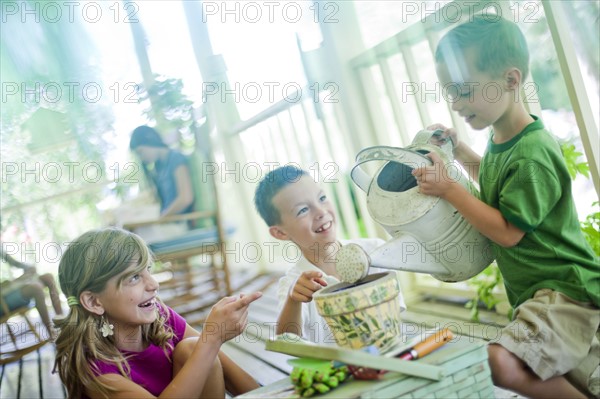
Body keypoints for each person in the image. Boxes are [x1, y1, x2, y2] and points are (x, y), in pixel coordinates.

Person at [412, 15, 599, 398]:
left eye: (464, 90)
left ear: (511, 81)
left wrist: (450, 189)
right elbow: (499, 189)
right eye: (450, 92)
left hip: (563, 290)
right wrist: (461, 152)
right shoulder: (504, 137)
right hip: (542, 294)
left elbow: (507, 231)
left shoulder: (532, 153)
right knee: (568, 374)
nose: (456, 103)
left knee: (502, 361)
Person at [53, 227, 262, 398]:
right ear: (93, 301)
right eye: (134, 277)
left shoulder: (160, 316)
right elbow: (208, 346)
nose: (153, 284)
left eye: (149, 270)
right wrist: (212, 339)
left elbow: (233, 376)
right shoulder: (97, 372)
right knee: (201, 347)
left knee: (192, 348)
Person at [254, 165, 406, 345]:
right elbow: (286, 341)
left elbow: (395, 315)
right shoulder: (294, 286)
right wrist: (293, 301)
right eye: (303, 210)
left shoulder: (375, 251)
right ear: (280, 233)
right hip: (339, 371)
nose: (320, 212)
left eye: (322, 198)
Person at [129, 125, 194, 217]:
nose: (141, 158)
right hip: (169, 221)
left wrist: (163, 217)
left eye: (140, 152)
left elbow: (186, 198)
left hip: (180, 221)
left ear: (150, 142)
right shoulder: (159, 167)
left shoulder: (176, 158)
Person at [0, 246, 63, 340]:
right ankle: (51, 333)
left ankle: (62, 322)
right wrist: (17, 281)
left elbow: (15, 263)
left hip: (11, 289)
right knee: (36, 288)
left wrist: (28, 269)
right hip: (2, 301)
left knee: (48, 277)